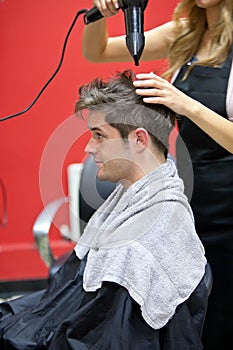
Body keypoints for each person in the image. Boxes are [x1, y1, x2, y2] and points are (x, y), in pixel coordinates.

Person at [0, 70, 209, 349]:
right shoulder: (136, 194)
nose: (88, 148)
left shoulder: (141, 245)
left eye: (99, 136)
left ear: (139, 140)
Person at [82, 1, 233, 349]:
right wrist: (98, 14)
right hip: (193, 194)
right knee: (195, 305)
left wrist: (186, 105)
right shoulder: (186, 32)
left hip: (230, 200)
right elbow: (97, 51)